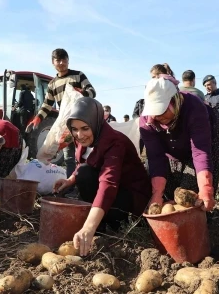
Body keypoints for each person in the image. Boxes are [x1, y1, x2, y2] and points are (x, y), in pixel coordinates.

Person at [53, 97, 152, 256]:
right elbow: (84, 163)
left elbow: (108, 184)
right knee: (83, 173)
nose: (80, 134)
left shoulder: (114, 142)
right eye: (75, 129)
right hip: (111, 194)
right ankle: (101, 222)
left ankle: (111, 225)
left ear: (95, 123)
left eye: (85, 128)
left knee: (85, 174)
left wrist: (89, 227)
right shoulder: (83, 139)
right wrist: (70, 180)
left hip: (131, 200)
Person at [139, 74, 219, 213]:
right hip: (174, 144)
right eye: (154, 112)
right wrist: (157, 193)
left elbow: (200, 151)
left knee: (191, 194)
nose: (157, 116)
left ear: (175, 100)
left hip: (205, 137)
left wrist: (206, 187)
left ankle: (201, 217)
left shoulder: (193, 107)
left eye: (162, 110)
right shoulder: (147, 122)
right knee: (171, 193)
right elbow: (156, 157)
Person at [26, 48, 96, 184]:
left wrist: (81, 92)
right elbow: (47, 104)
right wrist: (38, 118)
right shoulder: (52, 84)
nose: (62, 63)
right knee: (69, 157)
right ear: (53, 62)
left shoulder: (78, 76)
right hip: (67, 126)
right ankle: (69, 187)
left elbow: (92, 92)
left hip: (83, 121)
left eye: (64, 59)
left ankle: (86, 185)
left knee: (85, 155)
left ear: (68, 61)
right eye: (58, 60)